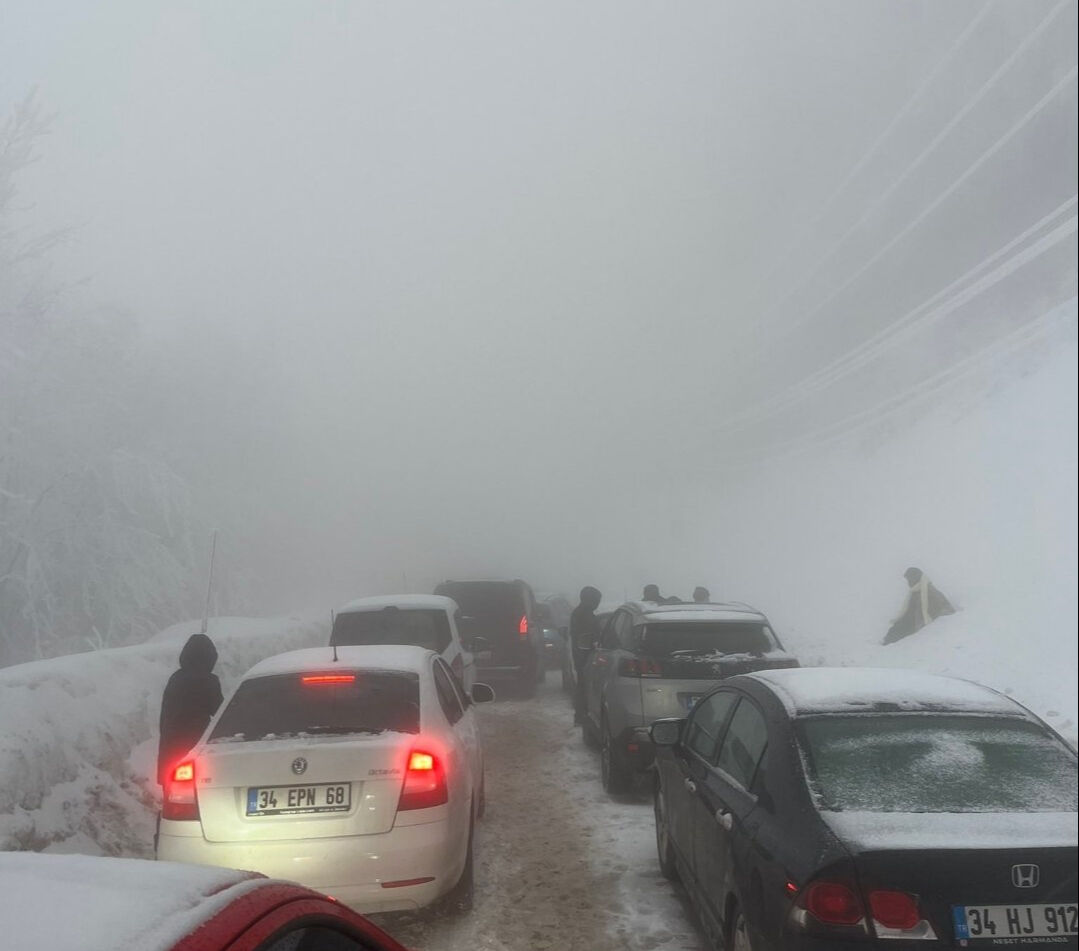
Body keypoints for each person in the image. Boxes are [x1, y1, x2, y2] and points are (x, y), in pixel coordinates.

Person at [157, 632, 224, 785]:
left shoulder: (175, 678)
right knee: (195, 792)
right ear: (210, 658)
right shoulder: (208, 681)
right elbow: (220, 712)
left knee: (173, 792)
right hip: (196, 744)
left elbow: (165, 714)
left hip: (171, 743)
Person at [883, 567, 956, 645]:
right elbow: (909, 610)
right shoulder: (915, 591)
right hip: (913, 620)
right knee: (897, 628)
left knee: (900, 630)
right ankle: (887, 641)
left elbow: (943, 608)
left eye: (909, 579)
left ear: (915, 579)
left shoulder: (929, 590)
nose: (908, 583)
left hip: (920, 622)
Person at [570, 586, 602, 725]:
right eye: (596, 600)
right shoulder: (584, 615)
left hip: (583, 655)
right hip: (585, 656)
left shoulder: (580, 613)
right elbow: (588, 637)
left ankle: (582, 716)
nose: (597, 603)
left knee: (583, 687)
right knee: (585, 687)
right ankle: (583, 716)